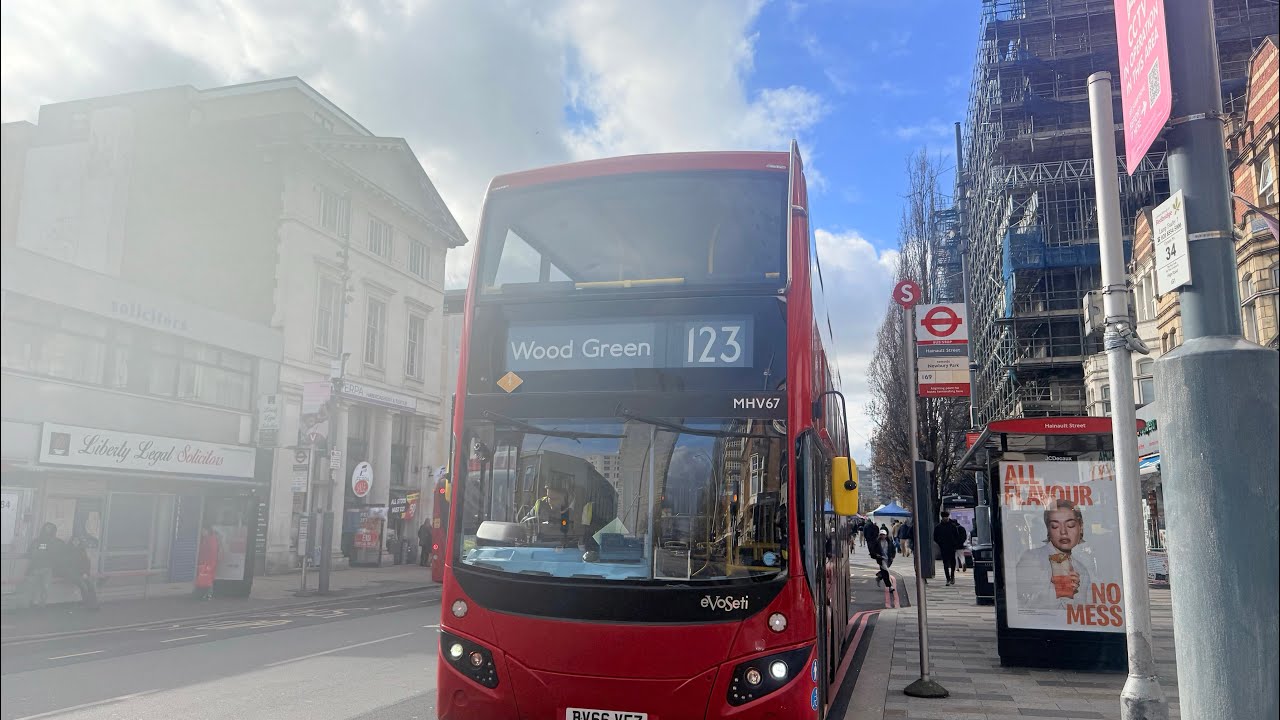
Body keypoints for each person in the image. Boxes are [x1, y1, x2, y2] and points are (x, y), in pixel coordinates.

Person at [1014, 499, 1096, 610]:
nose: (1063, 532)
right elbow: (1017, 604)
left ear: (1080, 527)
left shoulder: (1082, 570)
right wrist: (1056, 590)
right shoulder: (1032, 559)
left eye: (1070, 525)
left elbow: (1080, 614)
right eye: (1055, 526)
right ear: (1048, 530)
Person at [22, 523, 65, 608]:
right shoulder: (37, 541)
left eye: (50, 528)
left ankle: (42, 604)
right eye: (47, 528)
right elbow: (31, 553)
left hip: (48, 568)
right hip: (36, 567)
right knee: (32, 586)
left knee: (45, 587)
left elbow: (58, 554)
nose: (48, 530)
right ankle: (30, 603)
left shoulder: (57, 542)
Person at [59, 536, 99, 610]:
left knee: (91, 585)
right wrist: (79, 574)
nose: (76, 542)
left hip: (82, 574)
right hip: (72, 574)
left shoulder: (82, 550)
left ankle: (95, 604)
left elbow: (86, 563)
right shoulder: (67, 551)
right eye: (74, 540)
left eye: (77, 540)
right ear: (71, 541)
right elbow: (67, 565)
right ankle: (88, 605)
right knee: (83, 586)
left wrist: (86, 573)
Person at [934, 511, 965, 586]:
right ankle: (948, 578)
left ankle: (952, 576)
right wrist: (940, 543)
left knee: (952, 562)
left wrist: (955, 544)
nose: (946, 518)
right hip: (944, 547)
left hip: (952, 547)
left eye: (947, 517)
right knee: (945, 563)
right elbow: (935, 537)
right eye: (945, 517)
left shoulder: (952, 526)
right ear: (942, 517)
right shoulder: (938, 527)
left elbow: (957, 536)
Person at [194, 524, 219, 600]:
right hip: (205, 562)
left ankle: (208, 594)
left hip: (208, 563)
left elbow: (212, 552)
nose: (202, 532)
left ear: (207, 531)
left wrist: (207, 564)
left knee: (207, 579)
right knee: (205, 578)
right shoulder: (207, 538)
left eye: (203, 530)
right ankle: (203, 594)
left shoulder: (210, 539)